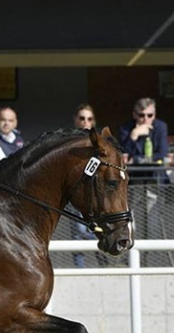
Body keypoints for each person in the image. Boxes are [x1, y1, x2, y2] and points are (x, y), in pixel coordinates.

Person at [70, 103, 107, 268]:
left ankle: (104, 262)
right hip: (75, 193)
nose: (85, 122)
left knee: (96, 229)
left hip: (95, 195)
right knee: (78, 233)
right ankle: (80, 268)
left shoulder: (98, 143)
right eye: (82, 118)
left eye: (89, 119)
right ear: (75, 120)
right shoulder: (69, 142)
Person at [119, 97, 169, 165]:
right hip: (134, 172)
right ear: (134, 115)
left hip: (156, 172)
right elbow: (124, 154)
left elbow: (162, 153)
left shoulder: (160, 127)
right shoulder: (126, 128)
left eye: (149, 115)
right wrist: (133, 135)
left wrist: (136, 159)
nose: (146, 119)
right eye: (141, 115)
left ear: (154, 115)